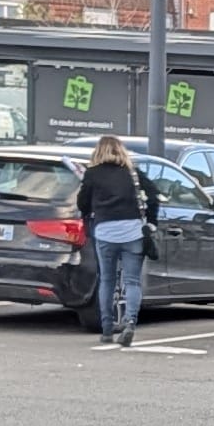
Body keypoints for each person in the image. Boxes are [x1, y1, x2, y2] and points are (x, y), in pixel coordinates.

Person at [76, 135, 157, 348]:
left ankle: (106, 329)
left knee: (107, 280)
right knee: (132, 281)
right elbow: (154, 195)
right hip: (133, 232)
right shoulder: (132, 172)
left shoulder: (92, 173)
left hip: (105, 232)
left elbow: (82, 203)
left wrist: (93, 209)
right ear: (121, 151)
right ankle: (130, 323)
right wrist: (152, 222)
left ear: (98, 151)